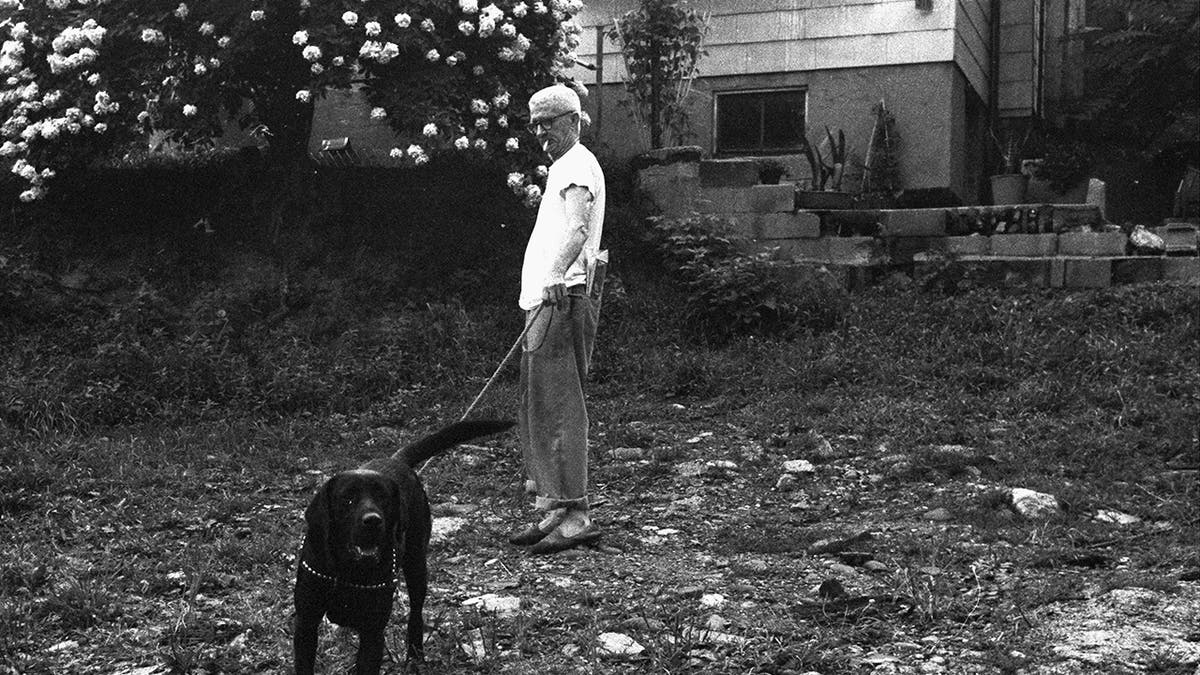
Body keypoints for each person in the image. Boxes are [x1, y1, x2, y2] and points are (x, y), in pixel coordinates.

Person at [508, 83, 606, 555]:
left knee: (560, 405)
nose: (540, 131)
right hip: (546, 299)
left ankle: (577, 515)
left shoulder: (576, 165)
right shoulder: (562, 166)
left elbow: (579, 228)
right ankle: (556, 508)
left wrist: (552, 275)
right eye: (535, 124)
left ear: (573, 119)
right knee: (540, 404)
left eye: (548, 121)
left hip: (561, 298)